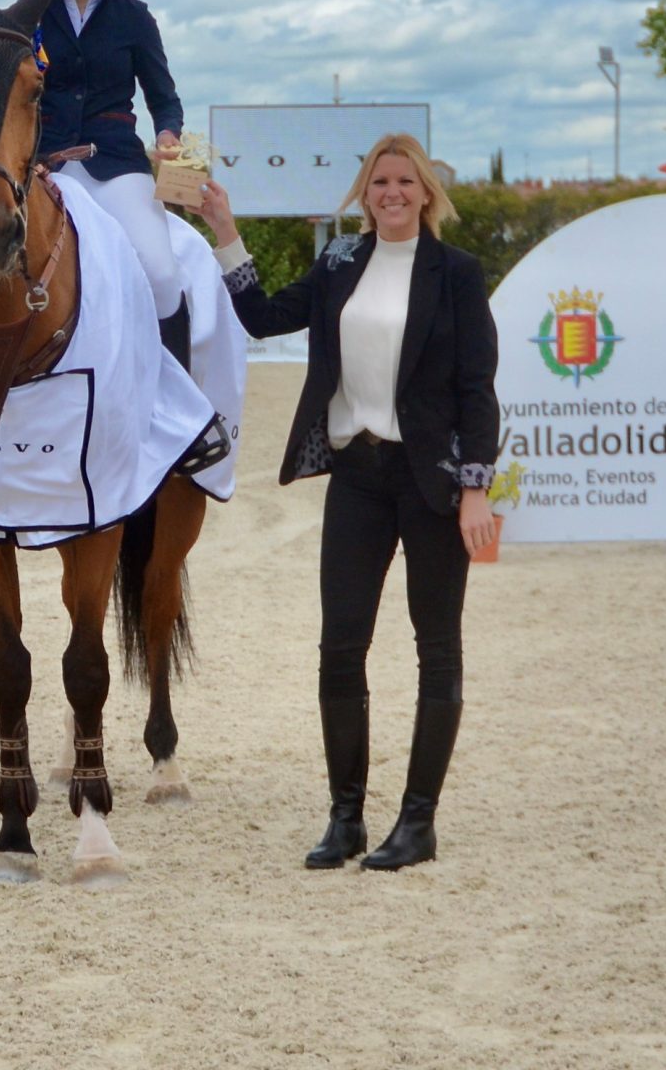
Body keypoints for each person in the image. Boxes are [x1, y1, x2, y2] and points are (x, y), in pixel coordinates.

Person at [199, 134, 500, 871]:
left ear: (426, 191)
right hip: (358, 477)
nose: (391, 193)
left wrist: (475, 492)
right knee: (340, 648)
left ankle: (418, 823)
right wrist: (226, 232)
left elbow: (477, 392)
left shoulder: (456, 274)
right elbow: (264, 317)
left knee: (437, 651)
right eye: (378, 182)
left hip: (430, 483)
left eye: (404, 181)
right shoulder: (338, 263)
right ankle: (346, 820)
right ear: (364, 194)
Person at [27, 0, 193, 363]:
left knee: (162, 274)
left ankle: (178, 402)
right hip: (41, 168)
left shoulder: (133, 17)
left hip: (114, 165)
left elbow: (165, 98)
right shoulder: (23, 18)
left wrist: (167, 135)